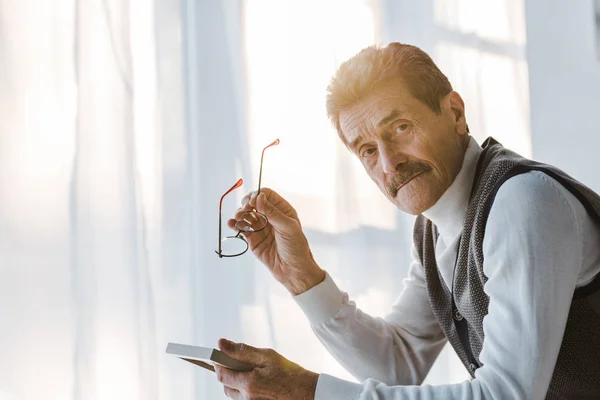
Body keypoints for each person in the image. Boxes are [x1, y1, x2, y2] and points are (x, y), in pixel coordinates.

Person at [213, 42, 600, 399]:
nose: (389, 163)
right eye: (367, 150)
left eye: (400, 128)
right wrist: (301, 276)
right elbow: (396, 363)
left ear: (455, 113)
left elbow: (505, 394)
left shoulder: (522, 201)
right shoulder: (435, 228)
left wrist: (309, 392)